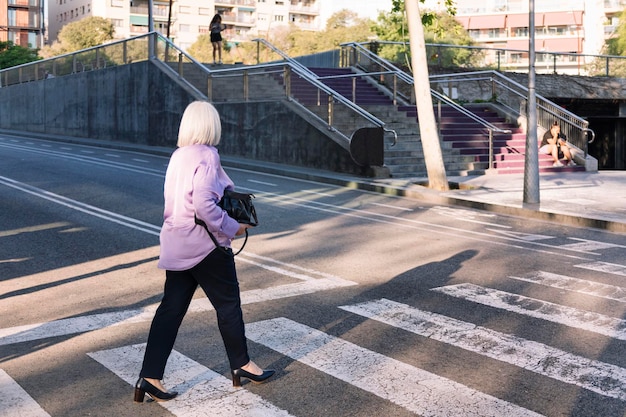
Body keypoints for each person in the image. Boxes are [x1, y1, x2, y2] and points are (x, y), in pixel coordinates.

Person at [134, 101, 274, 403]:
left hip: (177, 241)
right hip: (205, 245)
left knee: (170, 311)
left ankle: (149, 376)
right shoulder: (207, 156)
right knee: (228, 306)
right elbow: (204, 204)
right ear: (211, 125)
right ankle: (242, 365)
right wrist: (233, 227)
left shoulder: (178, 156)